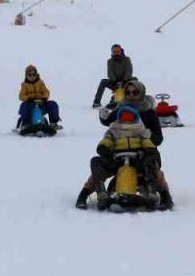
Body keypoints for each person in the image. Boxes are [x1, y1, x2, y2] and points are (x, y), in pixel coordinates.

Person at [75, 82, 173, 211]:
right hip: (118, 154)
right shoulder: (121, 109)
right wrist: (105, 145)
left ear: (141, 93)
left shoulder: (148, 113)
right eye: (128, 92)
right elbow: (109, 124)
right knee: (99, 170)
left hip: (141, 153)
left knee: (154, 170)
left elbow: (158, 139)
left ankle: (165, 197)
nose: (131, 95)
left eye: (135, 92)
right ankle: (84, 196)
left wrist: (147, 139)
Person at [17, 64, 62, 128]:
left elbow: (46, 92)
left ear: (36, 74)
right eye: (30, 75)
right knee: (24, 106)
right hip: (30, 104)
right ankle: (25, 123)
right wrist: (28, 98)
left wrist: (44, 98)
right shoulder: (24, 85)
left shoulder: (40, 83)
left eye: (34, 74)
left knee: (52, 104)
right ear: (26, 76)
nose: (32, 76)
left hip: (41, 104)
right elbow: (21, 96)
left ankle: (53, 123)